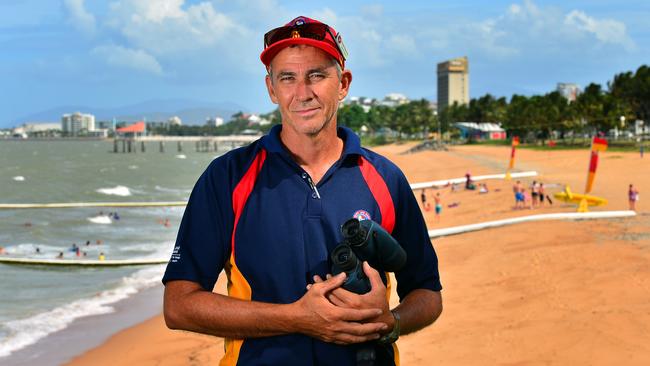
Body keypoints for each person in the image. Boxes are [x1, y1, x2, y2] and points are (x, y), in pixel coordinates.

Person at [162, 16, 442, 366]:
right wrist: (297, 318)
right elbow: (179, 305)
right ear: (271, 89)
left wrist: (391, 322)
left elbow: (427, 292)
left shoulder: (385, 178)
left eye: (317, 75)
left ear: (343, 84)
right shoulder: (227, 177)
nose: (303, 92)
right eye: (288, 78)